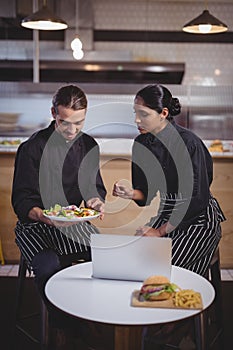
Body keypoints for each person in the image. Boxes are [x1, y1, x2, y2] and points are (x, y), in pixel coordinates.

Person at [12, 84, 107, 348]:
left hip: (73, 223)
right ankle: (64, 327)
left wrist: (96, 202)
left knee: (103, 255)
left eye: (79, 123)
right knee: (48, 265)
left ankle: (90, 316)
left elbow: (93, 189)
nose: (72, 130)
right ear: (54, 113)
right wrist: (43, 216)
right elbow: (21, 200)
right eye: (66, 122)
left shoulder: (89, 146)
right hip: (36, 225)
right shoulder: (31, 148)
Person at [113, 84, 225, 277]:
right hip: (167, 216)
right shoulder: (141, 144)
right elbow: (145, 195)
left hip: (198, 221)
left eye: (144, 114)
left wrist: (159, 232)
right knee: (133, 261)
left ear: (163, 113)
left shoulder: (188, 143)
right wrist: (130, 193)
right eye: (135, 113)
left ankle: (185, 303)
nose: (136, 120)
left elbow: (196, 200)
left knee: (162, 271)